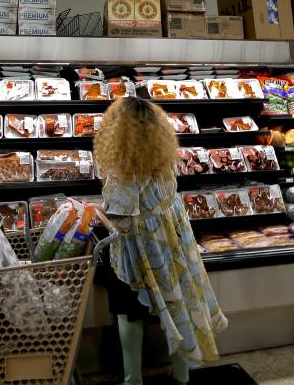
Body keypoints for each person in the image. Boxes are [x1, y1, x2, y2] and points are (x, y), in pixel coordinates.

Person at [93, 97, 228, 385]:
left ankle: (133, 380)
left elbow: (124, 223)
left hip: (138, 253)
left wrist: (98, 214)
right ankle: (182, 374)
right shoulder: (164, 158)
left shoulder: (120, 171)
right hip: (172, 243)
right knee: (177, 306)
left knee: (129, 313)